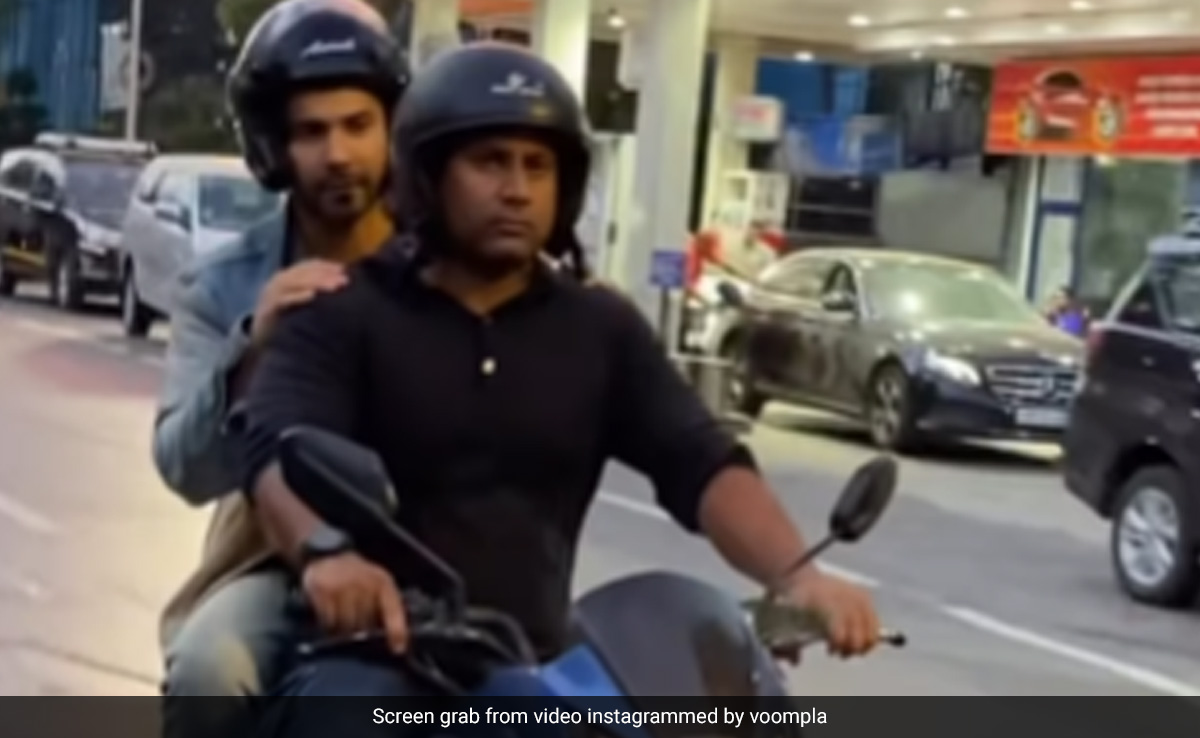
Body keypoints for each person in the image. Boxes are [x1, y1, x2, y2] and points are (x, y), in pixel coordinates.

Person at [231, 42, 880, 717]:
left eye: (537, 166)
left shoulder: (598, 327)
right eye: (490, 162)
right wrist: (327, 552)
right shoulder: (345, 311)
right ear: (427, 176)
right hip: (377, 654)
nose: (517, 189)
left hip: (537, 670)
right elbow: (276, 446)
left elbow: (701, 457)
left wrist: (799, 575)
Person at [150, 1, 409, 736]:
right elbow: (185, 467)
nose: (339, 154)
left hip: (445, 551)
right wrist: (254, 346)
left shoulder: (445, 265)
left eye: (358, 125)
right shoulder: (223, 285)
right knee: (208, 672)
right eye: (312, 132)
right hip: (270, 561)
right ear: (273, 147)